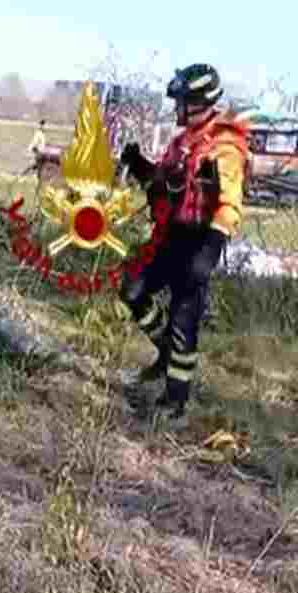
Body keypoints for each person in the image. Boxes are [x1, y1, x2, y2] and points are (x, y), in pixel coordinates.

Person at [119, 63, 249, 427]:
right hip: (171, 236)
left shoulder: (224, 147)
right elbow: (163, 184)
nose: (175, 108)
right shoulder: (182, 142)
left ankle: (175, 404)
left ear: (198, 103)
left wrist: (209, 252)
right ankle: (165, 353)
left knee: (183, 322)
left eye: (180, 102)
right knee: (132, 288)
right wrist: (139, 164)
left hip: (201, 241)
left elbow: (230, 205)